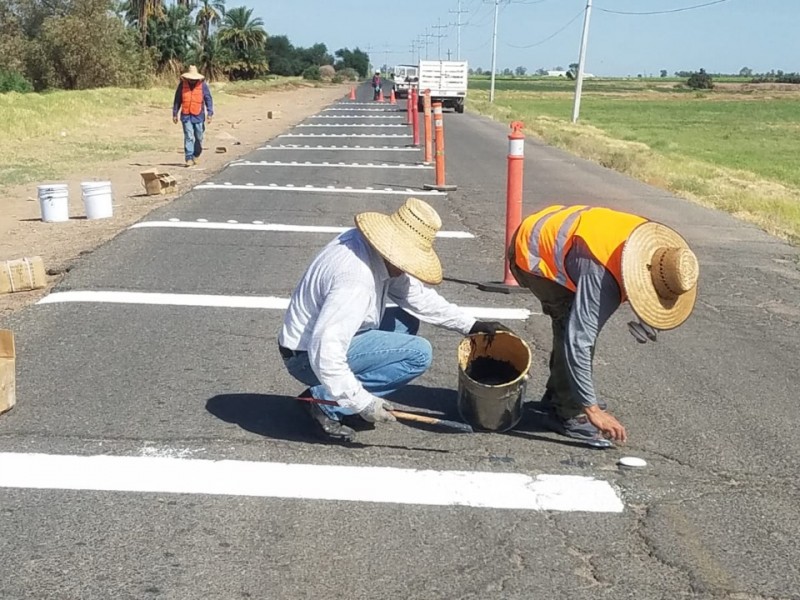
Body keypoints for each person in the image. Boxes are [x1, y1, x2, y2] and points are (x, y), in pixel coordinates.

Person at [279, 198, 510, 442]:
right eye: (407, 262)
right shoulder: (356, 280)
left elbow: (414, 296)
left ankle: (335, 393)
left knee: (406, 321)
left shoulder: (368, 246)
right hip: (305, 356)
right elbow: (326, 349)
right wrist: (362, 402)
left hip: (319, 339)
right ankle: (325, 402)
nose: (408, 269)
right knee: (418, 354)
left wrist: (470, 325)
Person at [508, 204, 699, 448]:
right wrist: (592, 409)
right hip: (530, 250)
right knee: (570, 323)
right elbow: (579, 341)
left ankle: (559, 396)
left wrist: (650, 315)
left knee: (575, 322)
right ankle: (567, 413)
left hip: (561, 230)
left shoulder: (651, 247)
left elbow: (656, 279)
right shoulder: (603, 276)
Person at [172, 65, 214, 168]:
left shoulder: (203, 86)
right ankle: (189, 157)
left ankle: (196, 154)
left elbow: (208, 99)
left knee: (199, 136)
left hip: (198, 116)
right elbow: (177, 100)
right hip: (186, 116)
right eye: (190, 78)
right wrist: (175, 113)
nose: (191, 80)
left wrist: (210, 113)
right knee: (189, 136)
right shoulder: (182, 85)